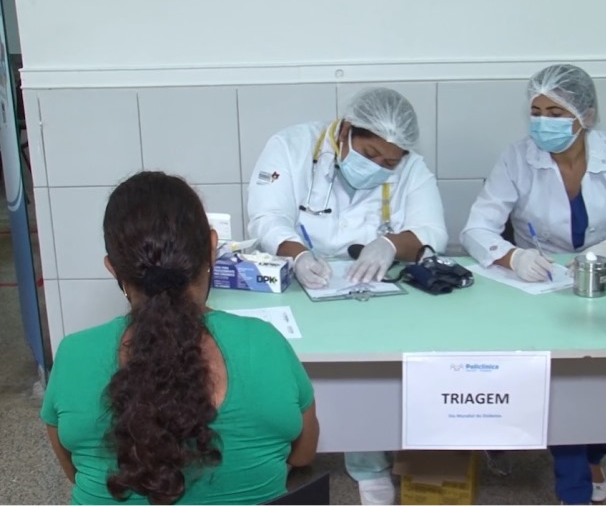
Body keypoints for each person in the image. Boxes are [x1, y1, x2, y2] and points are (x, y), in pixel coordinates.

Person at [41, 171, 319, 504]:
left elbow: (74, 471)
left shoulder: (74, 355)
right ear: (212, 248)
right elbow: (303, 455)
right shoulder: (265, 343)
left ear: (113, 268)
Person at [247, 87, 448, 505]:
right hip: (297, 279)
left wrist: (390, 245)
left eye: (389, 163)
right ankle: (282, 452)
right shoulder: (291, 146)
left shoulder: (411, 166)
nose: (378, 167)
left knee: (366, 369)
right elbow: (267, 216)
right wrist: (298, 255)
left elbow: (432, 231)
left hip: (367, 289)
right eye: (370, 154)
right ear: (345, 131)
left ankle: (369, 463)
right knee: (283, 367)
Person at [461, 64, 606, 504]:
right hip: (540, 286)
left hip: (603, 284)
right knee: (561, 383)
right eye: (537, 111)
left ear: (586, 114)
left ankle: (594, 451)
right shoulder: (516, 158)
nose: (543, 122)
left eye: (556, 112)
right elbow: (475, 229)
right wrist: (515, 256)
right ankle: (574, 484)